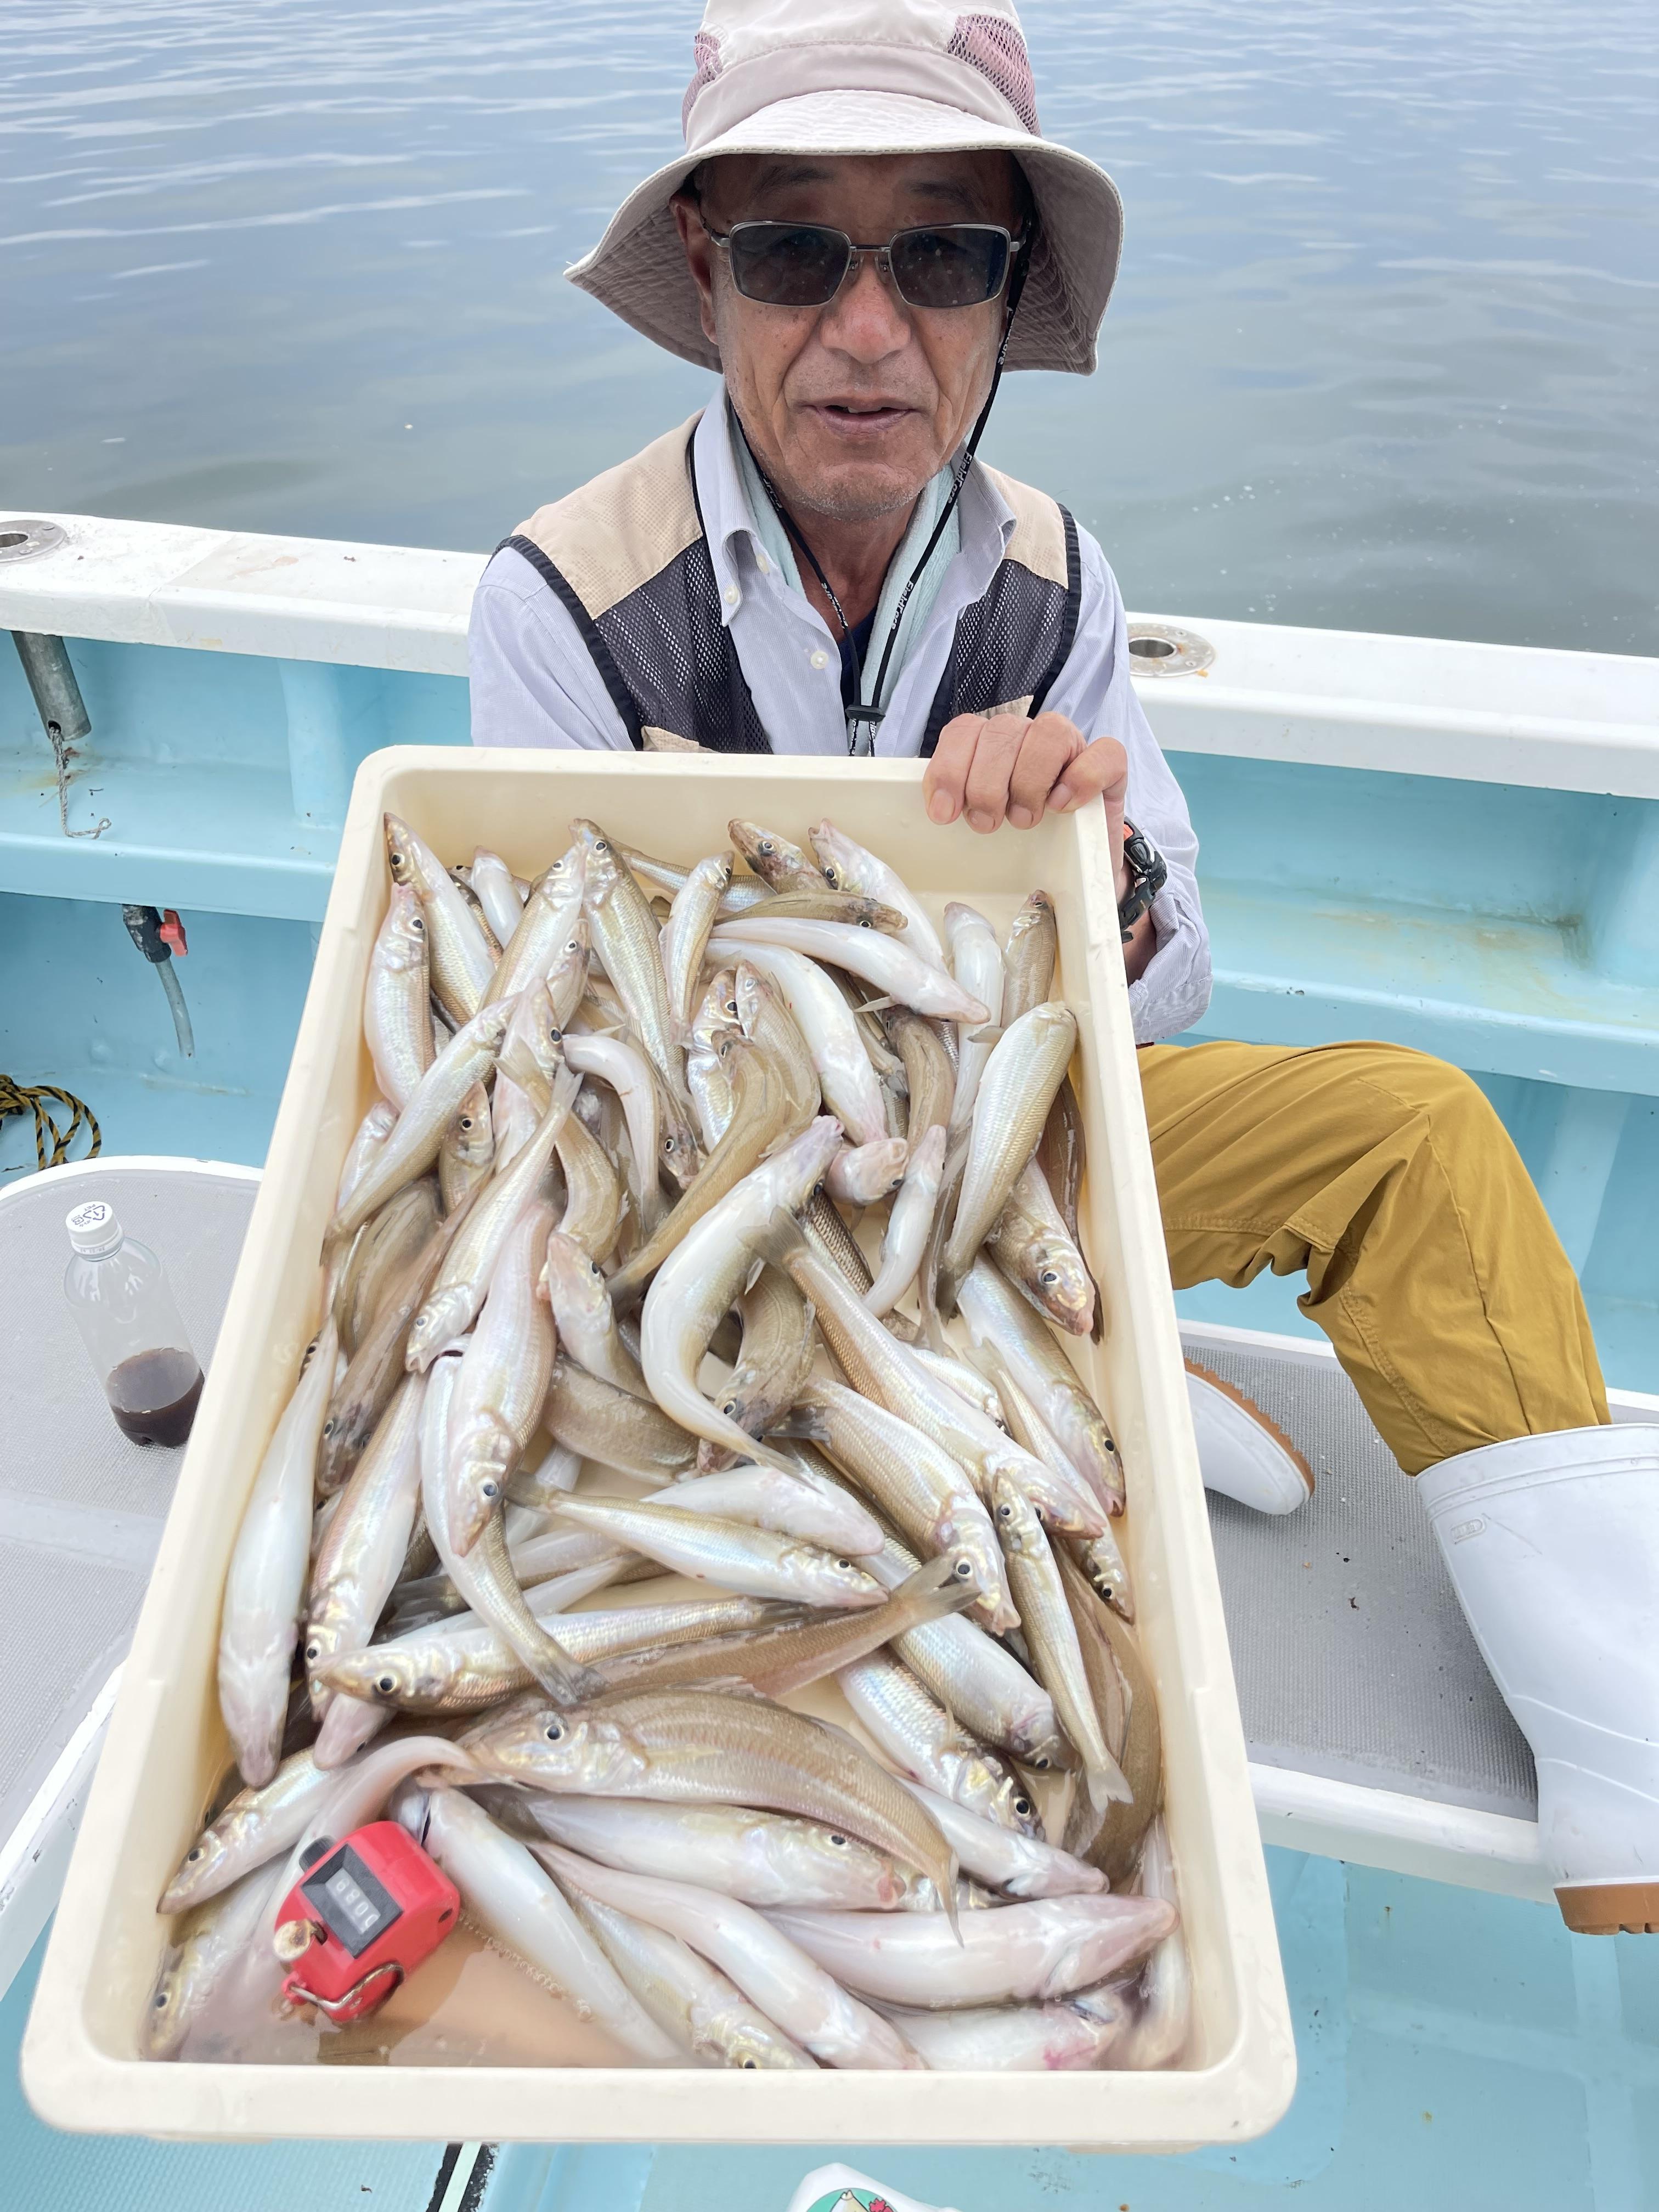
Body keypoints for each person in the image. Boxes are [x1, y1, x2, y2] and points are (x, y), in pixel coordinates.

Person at [468, 0, 1655, 1938]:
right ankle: (1037, 1379)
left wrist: (1096, 885)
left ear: (1007, 295)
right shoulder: (565, 602)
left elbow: (1170, 972)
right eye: (796, 250)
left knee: (1407, 1132)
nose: (871, 328)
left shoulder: (1058, 576)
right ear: (710, 270)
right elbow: (550, 1055)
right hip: (694, 1214)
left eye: (942, 254)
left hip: (1014, 1142)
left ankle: (1624, 1749)